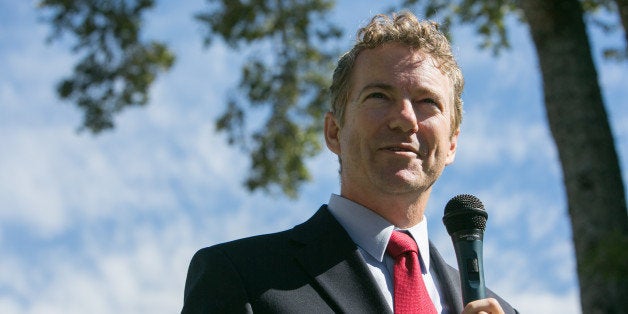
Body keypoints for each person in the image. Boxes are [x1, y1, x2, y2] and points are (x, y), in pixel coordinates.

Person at [182, 11, 518, 314]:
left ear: (452, 144)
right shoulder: (241, 276)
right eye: (378, 96)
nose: (404, 119)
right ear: (334, 131)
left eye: (427, 101)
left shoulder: (501, 310)